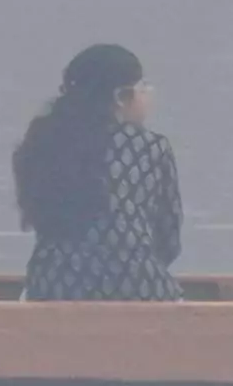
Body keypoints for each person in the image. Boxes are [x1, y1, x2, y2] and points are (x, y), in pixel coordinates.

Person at [14, 42, 183, 301]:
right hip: (139, 286)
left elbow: (39, 219)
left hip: (54, 284)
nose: (150, 92)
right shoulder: (152, 147)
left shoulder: (42, 140)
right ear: (121, 97)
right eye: (143, 86)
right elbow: (168, 240)